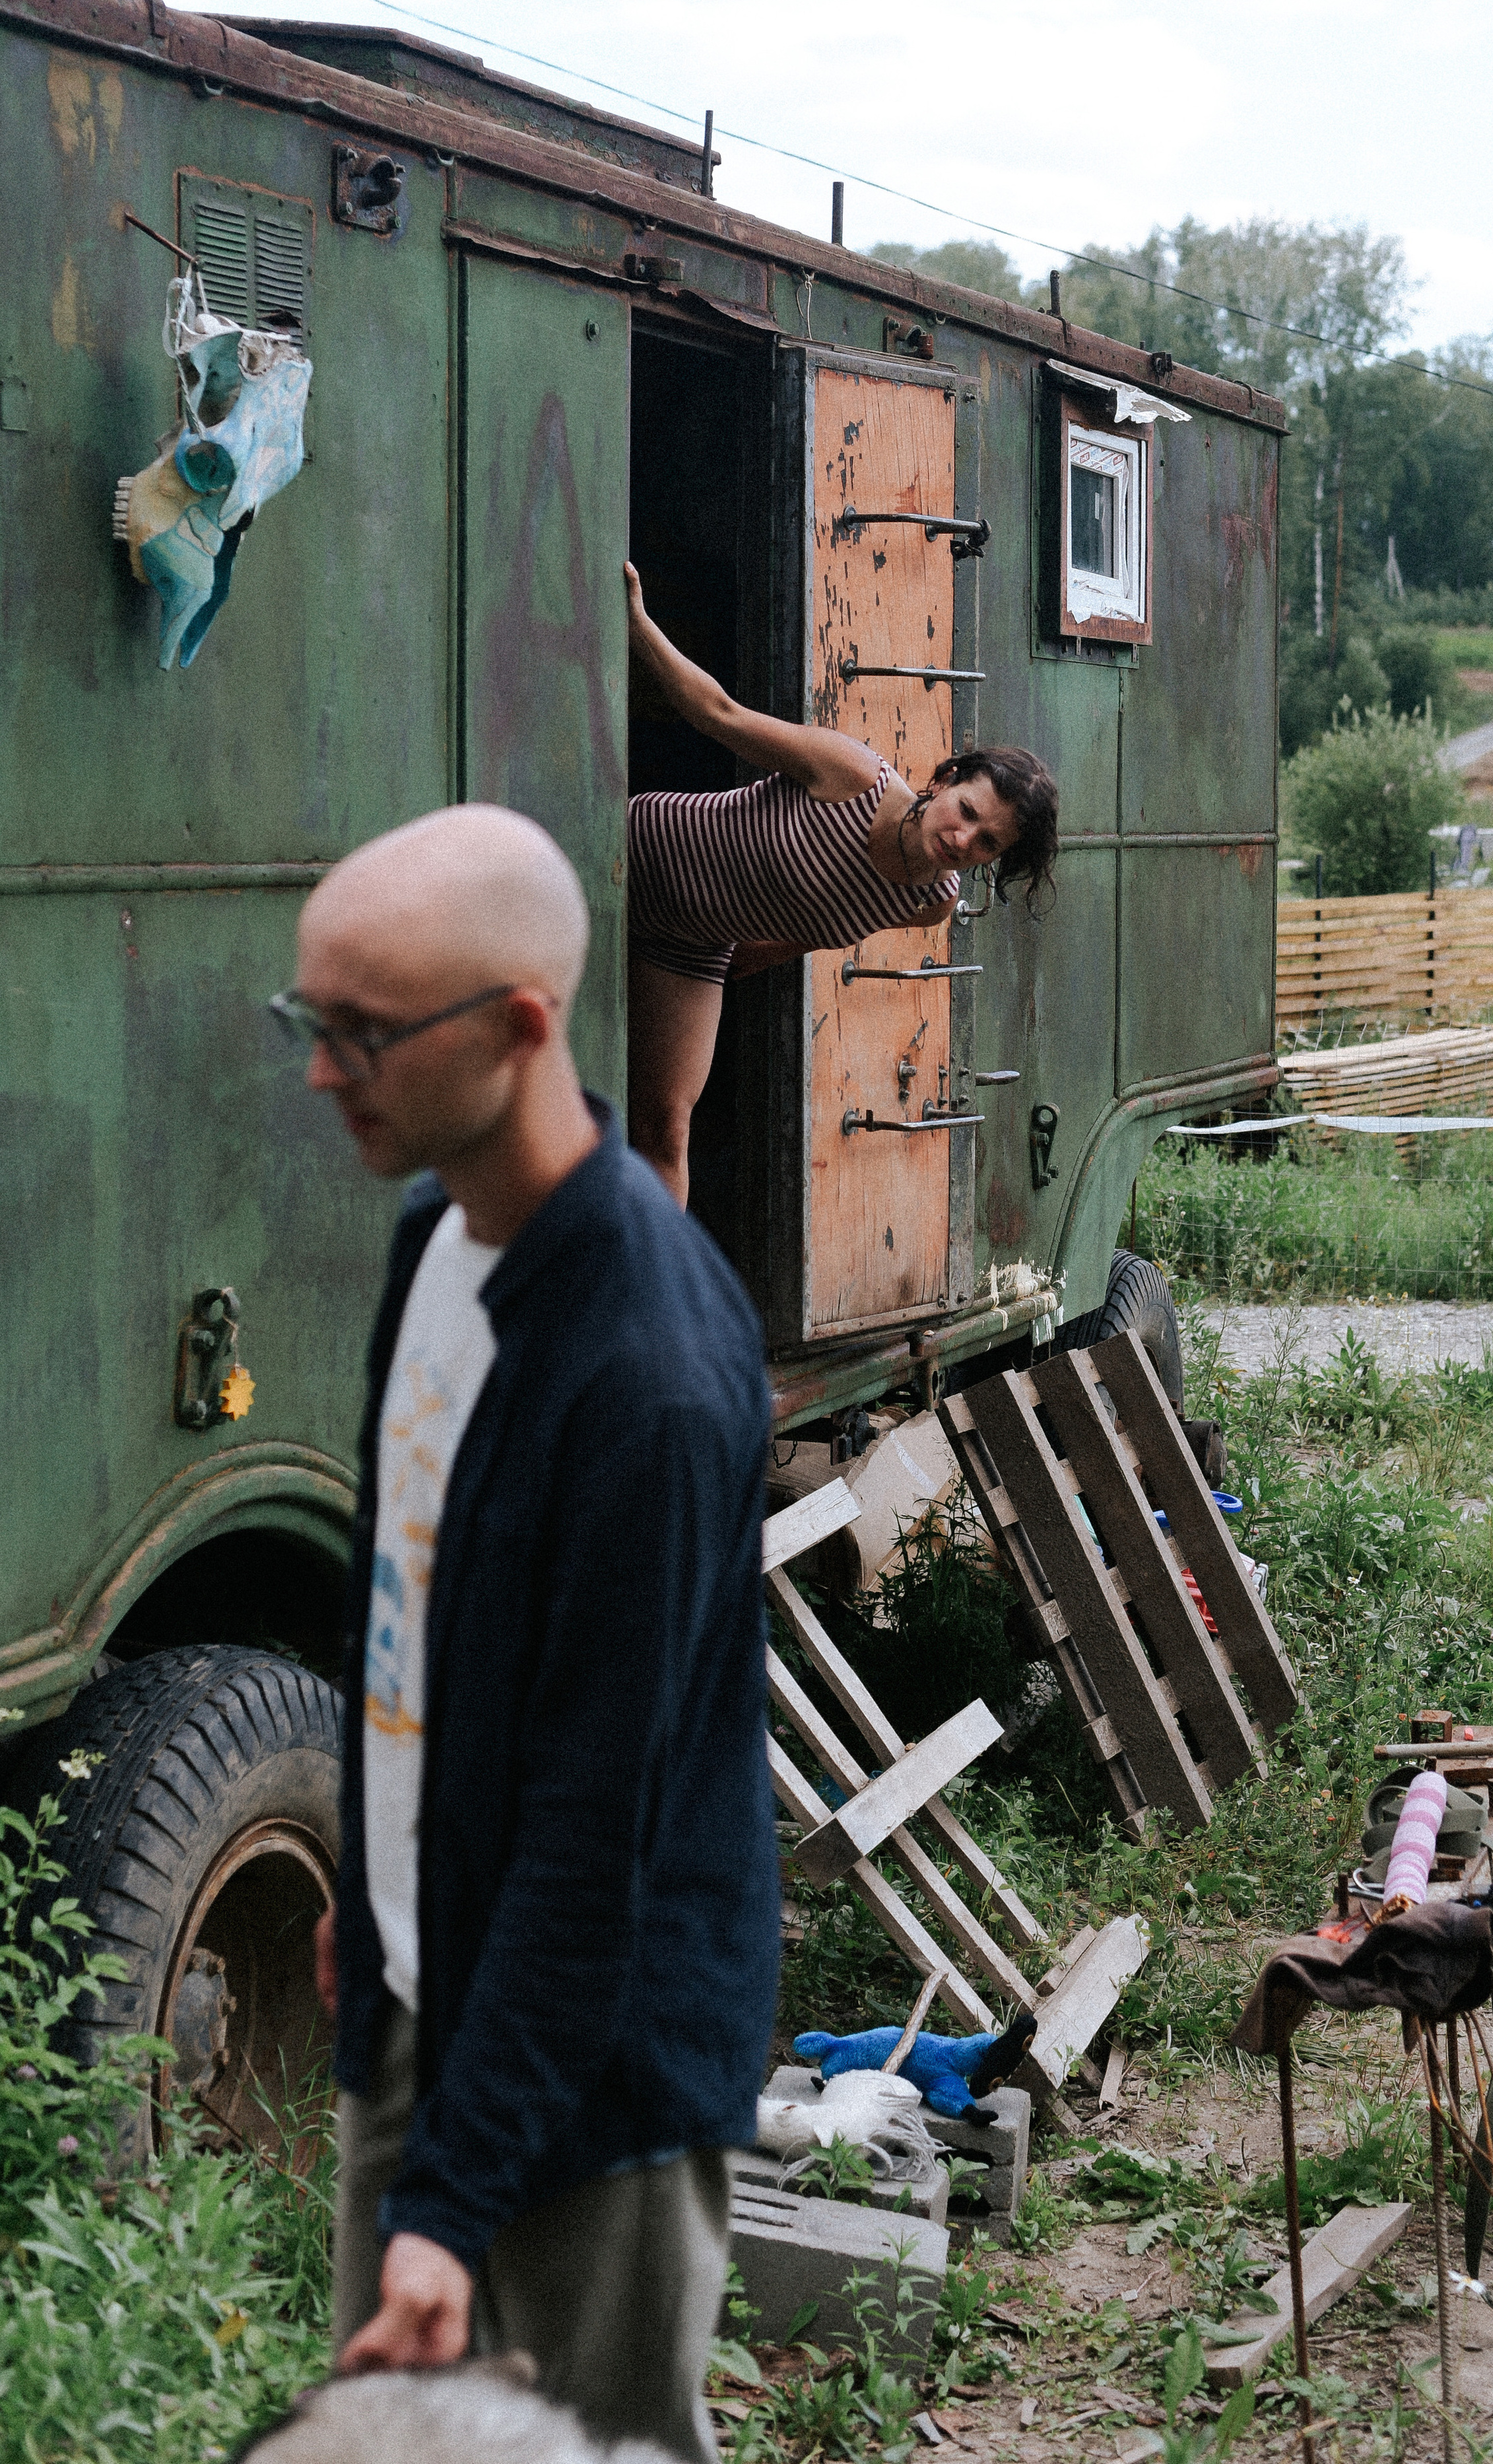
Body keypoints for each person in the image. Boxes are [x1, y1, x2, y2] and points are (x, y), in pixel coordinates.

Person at [272, 803, 779, 2464]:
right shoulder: (435, 1239)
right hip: (432, 1985)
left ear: (517, 1026)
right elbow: (399, 1603)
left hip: (594, 2062)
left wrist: (456, 2192)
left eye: (361, 1032)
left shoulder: (642, 1370)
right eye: (311, 1021)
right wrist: (374, 1878)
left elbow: (590, 1837)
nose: (322, 1071)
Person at [624, 562, 1059, 1206]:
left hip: (687, 949)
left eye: (987, 842)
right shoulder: (856, 776)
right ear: (945, 781)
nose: (965, 839)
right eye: (967, 811)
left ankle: (651, 1302)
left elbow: (808, 930)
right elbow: (717, 713)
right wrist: (634, 622)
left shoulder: (928, 902)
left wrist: (735, 962)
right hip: (631, 858)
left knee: (665, 1130)